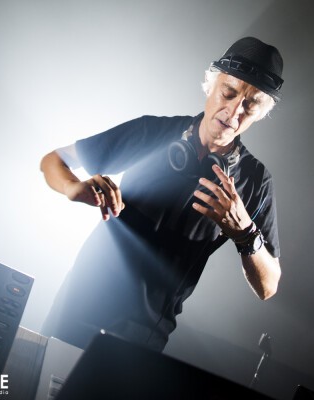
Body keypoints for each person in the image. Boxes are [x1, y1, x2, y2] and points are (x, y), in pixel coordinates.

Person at [40, 37, 283, 352]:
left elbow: (268, 286)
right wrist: (73, 187)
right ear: (211, 85)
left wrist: (245, 233)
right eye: (229, 92)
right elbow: (53, 161)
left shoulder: (255, 181)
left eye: (250, 105)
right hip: (80, 301)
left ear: (260, 113)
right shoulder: (152, 132)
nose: (235, 111)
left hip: (144, 336)